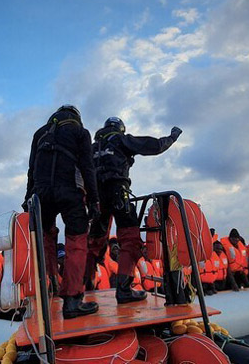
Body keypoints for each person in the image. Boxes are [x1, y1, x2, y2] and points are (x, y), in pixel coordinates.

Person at [85, 116, 182, 304]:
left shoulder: (90, 148)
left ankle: (85, 287)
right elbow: (153, 146)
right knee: (130, 239)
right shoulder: (120, 139)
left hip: (95, 198)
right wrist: (172, 137)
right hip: (118, 192)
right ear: (120, 128)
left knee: (94, 242)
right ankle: (124, 290)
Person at [23, 104, 100, 319]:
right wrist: (94, 200)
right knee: (76, 242)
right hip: (69, 191)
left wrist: (28, 197)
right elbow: (87, 167)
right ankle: (73, 301)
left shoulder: (40, 133)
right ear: (77, 117)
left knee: (46, 239)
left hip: (41, 193)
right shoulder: (80, 132)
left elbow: (31, 168)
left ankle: (51, 286)